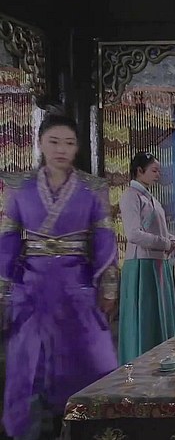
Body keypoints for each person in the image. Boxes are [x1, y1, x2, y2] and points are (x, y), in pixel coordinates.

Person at [0, 114, 119, 439]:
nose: (61, 149)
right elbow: (8, 240)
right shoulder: (20, 187)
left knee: (93, 363)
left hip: (76, 287)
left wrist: (108, 286)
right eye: (54, 142)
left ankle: (88, 427)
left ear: (77, 147)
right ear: (40, 143)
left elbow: (104, 239)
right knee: (29, 368)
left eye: (68, 143)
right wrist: (4, 288)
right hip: (32, 289)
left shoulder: (93, 188)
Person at [118, 152, 175, 364]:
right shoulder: (131, 196)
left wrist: (172, 239)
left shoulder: (150, 197)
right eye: (154, 170)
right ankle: (142, 362)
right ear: (139, 171)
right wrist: (165, 243)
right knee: (145, 317)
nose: (157, 175)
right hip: (142, 264)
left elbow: (160, 228)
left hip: (158, 262)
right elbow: (133, 234)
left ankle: (163, 359)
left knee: (159, 314)